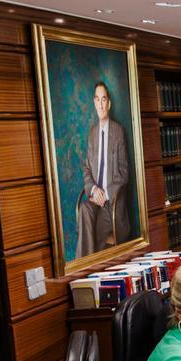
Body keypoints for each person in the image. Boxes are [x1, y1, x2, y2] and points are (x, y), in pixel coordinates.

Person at [76, 81, 130, 257]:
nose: (101, 104)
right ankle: (85, 266)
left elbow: (123, 173)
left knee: (96, 229)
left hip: (111, 202)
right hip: (94, 198)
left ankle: (86, 268)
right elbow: (87, 169)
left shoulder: (118, 131)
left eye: (104, 99)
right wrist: (93, 190)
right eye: (97, 99)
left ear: (109, 103)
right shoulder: (92, 133)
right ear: (94, 102)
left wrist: (105, 193)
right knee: (84, 210)